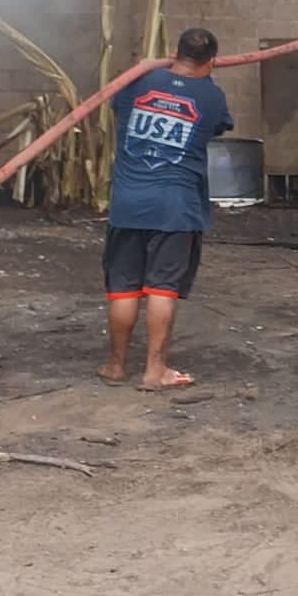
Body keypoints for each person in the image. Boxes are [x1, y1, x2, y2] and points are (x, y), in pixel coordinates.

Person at [96, 28, 233, 392]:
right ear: (212, 62)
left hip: (128, 203)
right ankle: (154, 370)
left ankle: (116, 365)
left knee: (123, 289)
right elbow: (218, 126)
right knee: (162, 288)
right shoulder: (211, 96)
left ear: (176, 52)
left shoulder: (138, 81)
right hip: (175, 208)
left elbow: (115, 104)